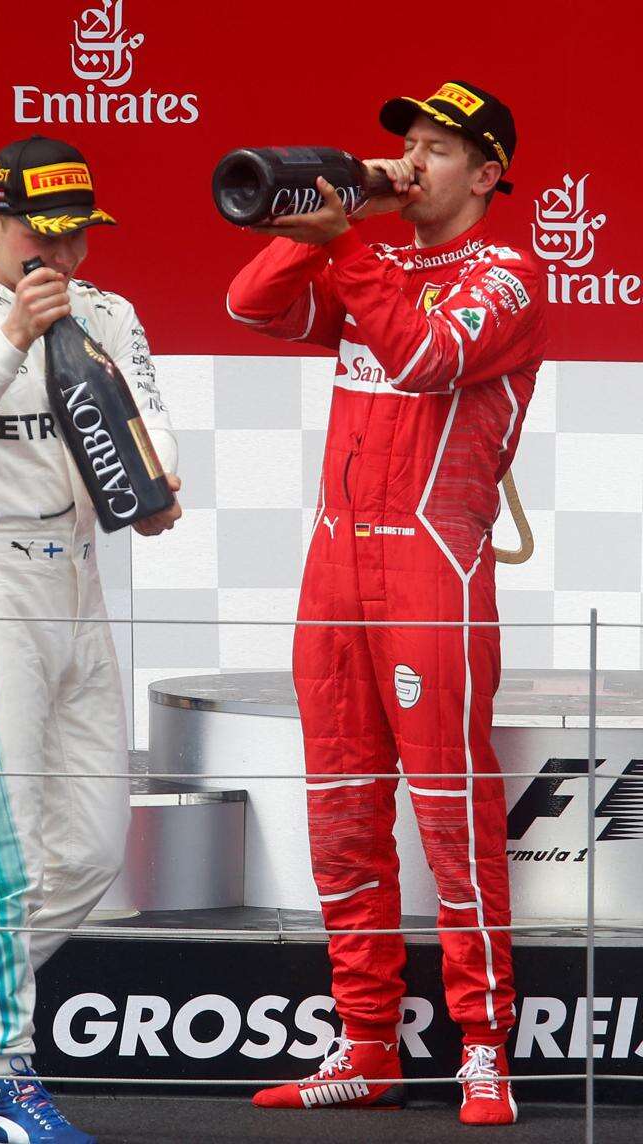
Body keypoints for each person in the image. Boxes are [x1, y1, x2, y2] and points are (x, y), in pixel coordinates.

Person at [227, 81, 547, 1126]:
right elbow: (252, 305)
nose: (410, 161)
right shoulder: (383, 262)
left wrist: (352, 249)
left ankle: (482, 1048)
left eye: (436, 150)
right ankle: (364, 1042)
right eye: (404, 144)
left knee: (451, 813)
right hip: (332, 566)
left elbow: (419, 357)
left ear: (487, 173)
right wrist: (327, 218)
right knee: (341, 808)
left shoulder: (505, 275)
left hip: (430, 570)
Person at [0, 135, 181, 1144]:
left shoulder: (112, 314)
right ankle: (8, 1078)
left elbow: (147, 430)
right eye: (38, 232)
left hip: (82, 584)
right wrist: (9, 333)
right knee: (1, 853)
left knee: (94, 848)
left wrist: (157, 487)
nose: (61, 252)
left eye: (77, 232)